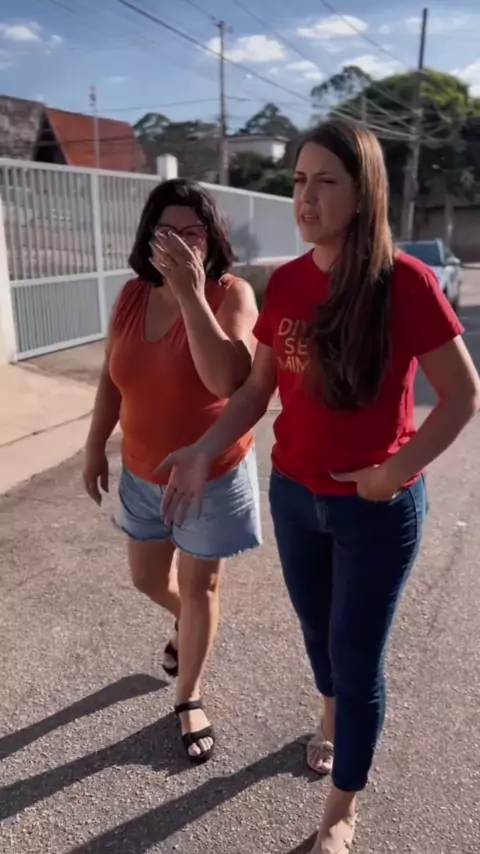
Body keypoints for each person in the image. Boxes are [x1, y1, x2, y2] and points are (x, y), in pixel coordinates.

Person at [154, 120, 480, 852]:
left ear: (362, 194)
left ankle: (340, 811)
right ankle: (330, 713)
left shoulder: (407, 283)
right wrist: (205, 448)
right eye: (299, 180)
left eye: (325, 181)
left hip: (376, 508)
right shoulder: (289, 282)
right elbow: (255, 389)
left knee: (356, 661)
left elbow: (463, 395)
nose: (306, 196)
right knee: (317, 639)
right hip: (296, 498)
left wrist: (394, 473)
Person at [83, 178, 261, 766]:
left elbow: (227, 380)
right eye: (167, 232)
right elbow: (112, 378)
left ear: (211, 239)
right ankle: (192, 627)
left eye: (192, 232)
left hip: (211, 472)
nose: (180, 244)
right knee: (146, 578)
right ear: (148, 238)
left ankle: (189, 695)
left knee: (201, 586)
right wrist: (94, 446)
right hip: (142, 471)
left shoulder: (232, 293)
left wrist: (191, 296)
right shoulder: (132, 296)